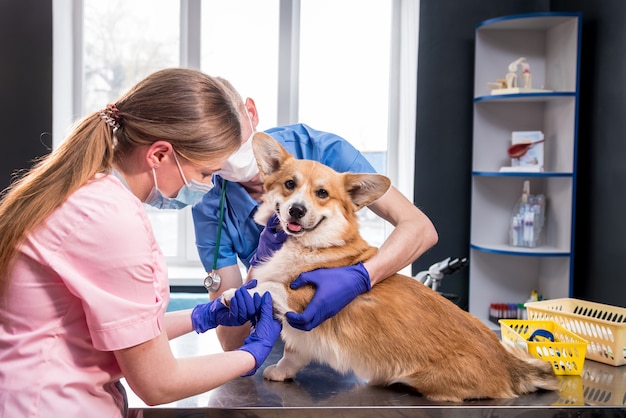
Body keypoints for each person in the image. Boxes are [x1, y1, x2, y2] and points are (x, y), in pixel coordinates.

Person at [0, 68, 282, 417]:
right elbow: (157, 383)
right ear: (159, 155)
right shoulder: (110, 218)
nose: (208, 187)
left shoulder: (88, 194)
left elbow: (115, 332)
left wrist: (202, 316)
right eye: (206, 174)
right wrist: (252, 354)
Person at [192, 78, 438, 351]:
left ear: (251, 112)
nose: (227, 149)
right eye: (210, 144)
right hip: (276, 343)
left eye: (231, 132)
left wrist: (362, 277)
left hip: (346, 334)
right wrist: (258, 278)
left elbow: (420, 228)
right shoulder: (210, 205)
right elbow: (231, 339)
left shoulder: (322, 151)